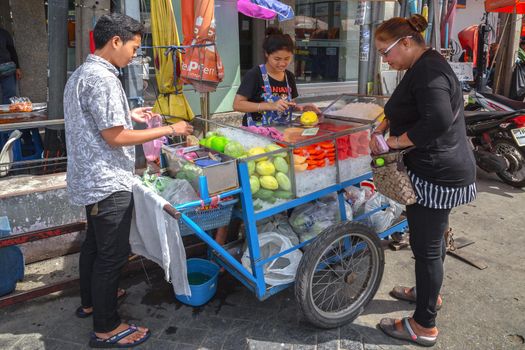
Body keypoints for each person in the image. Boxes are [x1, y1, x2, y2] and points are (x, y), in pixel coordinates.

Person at [63, 13, 193, 348]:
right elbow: (116, 137)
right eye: (134, 47)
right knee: (112, 255)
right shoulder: (104, 79)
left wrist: (128, 115)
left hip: (89, 177)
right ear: (116, 41)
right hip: (107, 180)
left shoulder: (83, 72)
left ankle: (91, 300)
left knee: (95, 245)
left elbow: (95, 121)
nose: (135, 55)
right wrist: (169, 129)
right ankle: (106, 327)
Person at [370, 14, 476, 347]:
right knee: (431, 241)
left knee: (427, 248)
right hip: (440, 168)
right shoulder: (421, 65)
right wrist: (382, 125)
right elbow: (405, 105)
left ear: (406, 43)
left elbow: (439, 119)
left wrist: (396, 143)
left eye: (385, 52)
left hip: (437, 173)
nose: (384, 59)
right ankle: (428, 294)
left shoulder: (429, 69)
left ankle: (424, 325)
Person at [233, 27, 320, 126]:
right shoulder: (254, 75)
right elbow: (237, 105)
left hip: (281, 130)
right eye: (277, 59)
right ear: (267, 54)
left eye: (287, 58)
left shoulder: (289, 77)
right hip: (257, 131)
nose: (282, 63)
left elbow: (287, 105)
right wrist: (270, 106)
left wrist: (302, 108)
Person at [0, 26, 21, 104]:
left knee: (10, 97)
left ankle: (8, 115)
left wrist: (18, 67)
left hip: (7, 69)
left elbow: (12, 50)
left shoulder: (4, 33)